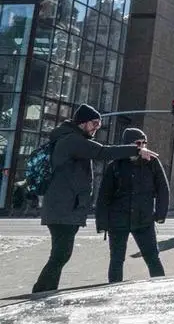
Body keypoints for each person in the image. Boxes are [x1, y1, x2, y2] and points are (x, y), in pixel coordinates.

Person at [32, 104, 157, 293]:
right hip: (63, 208)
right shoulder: (72, 140)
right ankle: (40, 292)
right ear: (83, 122)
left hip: (64, 207)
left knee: (61, 254)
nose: (96, 128)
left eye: (98, 125)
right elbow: (103, 152)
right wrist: (136, 150)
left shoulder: (71, 138)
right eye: (94, 124)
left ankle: (46, 291)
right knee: (60, 254)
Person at [95, 128, 169, 283]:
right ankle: (114, 290)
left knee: (152, 257)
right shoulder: (115, 165)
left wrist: (160, 214)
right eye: (137, 143)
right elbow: (104, 196)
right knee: (116, 260)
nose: (142, 147)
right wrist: (102, 223)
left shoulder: (152, 162)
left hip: (144, 219)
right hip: (118, 220)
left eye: (144, 143)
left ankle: (161, 289)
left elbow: (163, 188)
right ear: (127, 145)